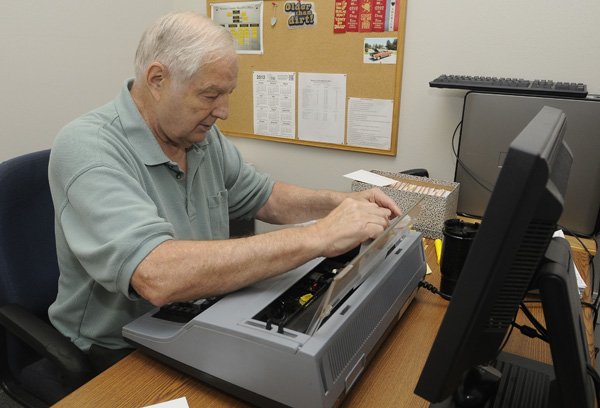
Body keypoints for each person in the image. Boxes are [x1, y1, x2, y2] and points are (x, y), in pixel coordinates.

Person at [48, 11, 400, 376]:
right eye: (210, 94)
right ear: (157, 79)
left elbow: (265, 196)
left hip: (197, 317)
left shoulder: (196, 135)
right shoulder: (87, 147)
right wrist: (319, 236)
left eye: (227, 94)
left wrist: (339, 203)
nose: (224, 111)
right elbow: (156, 275)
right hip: (115, 350)